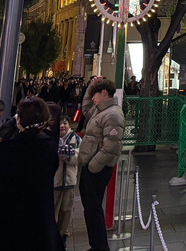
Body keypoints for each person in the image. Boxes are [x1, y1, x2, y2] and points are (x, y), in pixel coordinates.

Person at [0, 97, 58, 251]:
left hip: (3, 226)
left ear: (18, 120)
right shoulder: (48, 149)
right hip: (38, 226)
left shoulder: (4, 150)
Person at [78, 77, 125, 251]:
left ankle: (100, 247)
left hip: (96, 169)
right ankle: (96, 245)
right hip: (90, 166)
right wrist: (91, 85)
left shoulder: (112, 114)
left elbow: (111, 147)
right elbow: (85, 109)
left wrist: (92, 166)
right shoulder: (100, 110)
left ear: (104, 93)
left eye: (94, 94)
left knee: (93, 209)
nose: (92, 98)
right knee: (90, 209)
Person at [54, 114, 81, 247]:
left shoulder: (75, 138)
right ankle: (52, 238)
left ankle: (62, 236)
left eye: (65, 123)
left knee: (66, 211)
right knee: (53, 212)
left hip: (69, 182)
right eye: (60, 123)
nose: (62, 126)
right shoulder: (51, 138)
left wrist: (69, 157)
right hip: (55, 183)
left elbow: (81, 155)